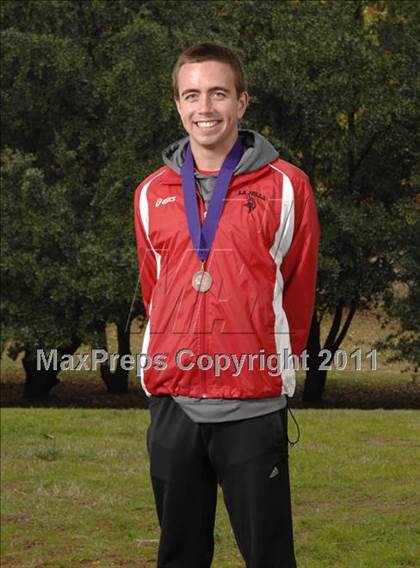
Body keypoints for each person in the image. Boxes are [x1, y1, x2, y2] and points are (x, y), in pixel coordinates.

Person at [134, 42, 319, 568]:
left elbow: (297, 288)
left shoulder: (288, 187)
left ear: (242, 101)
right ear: (177, 105)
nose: (205, 107)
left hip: (252, 399)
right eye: (192, 95)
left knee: (268, 555)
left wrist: (276, 366)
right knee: (179, 553)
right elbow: (157, 290)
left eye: (218, 93)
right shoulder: (151, 193)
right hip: (174, 400)